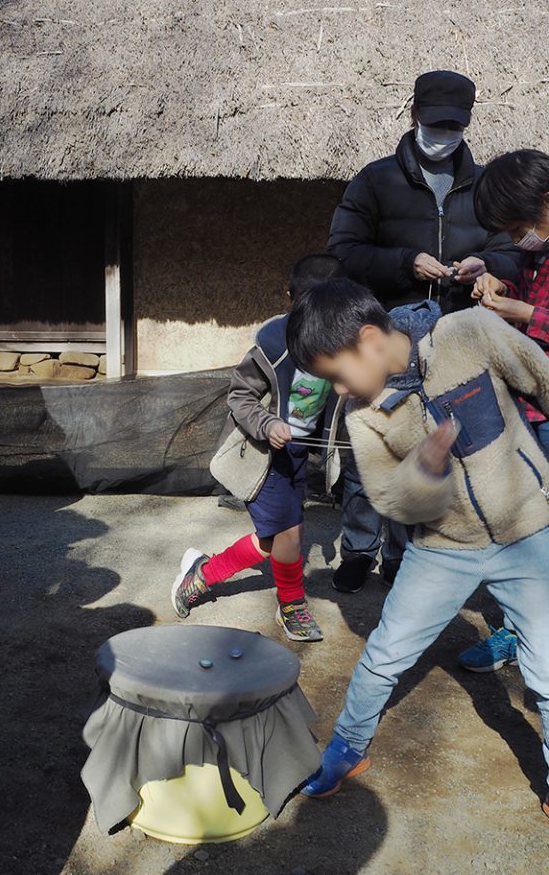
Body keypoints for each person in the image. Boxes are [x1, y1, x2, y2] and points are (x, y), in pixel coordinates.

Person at [286, 278, 549, 820]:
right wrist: (424, 472)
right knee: (384, 654)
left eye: (337, 374)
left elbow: (543, 379)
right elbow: (390, 500)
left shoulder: (470, 334)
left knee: (547, 666)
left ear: (369, 339)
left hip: (528, 532)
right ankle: (347, 746)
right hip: (442, 548)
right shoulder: (363, 413)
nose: (339, 391)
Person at [327, 70, 519, 595]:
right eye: (436, 124)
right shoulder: (375, 180)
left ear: (468, 123)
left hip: (456, 342)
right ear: (414, 115)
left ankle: (401, 552)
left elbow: (512, 249)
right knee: (370, 447)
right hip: (383, 338)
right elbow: (343, 250)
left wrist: (488, 265)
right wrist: (405, 262)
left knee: (431, 450)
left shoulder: (484, 185)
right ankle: (358, 548)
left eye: (455, 126)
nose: (444, 134)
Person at [171, 254, 344, 641]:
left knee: (275, 538)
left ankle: (202, 573)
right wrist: (267, 425)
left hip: (299, 454)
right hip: (264, 456)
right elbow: (239, 396)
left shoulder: (343, 340)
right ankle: (291, 604)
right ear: (289, 298)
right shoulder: (273, 345)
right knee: (287, 535)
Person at [449, 148, 549, 673]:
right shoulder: (538, 250)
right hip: (532, 411)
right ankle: (521, 629)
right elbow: (528, 293)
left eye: (516, 227)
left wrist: (525, 313)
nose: (516, 239)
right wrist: (500, 285)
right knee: (526, 529)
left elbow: (538, 313)